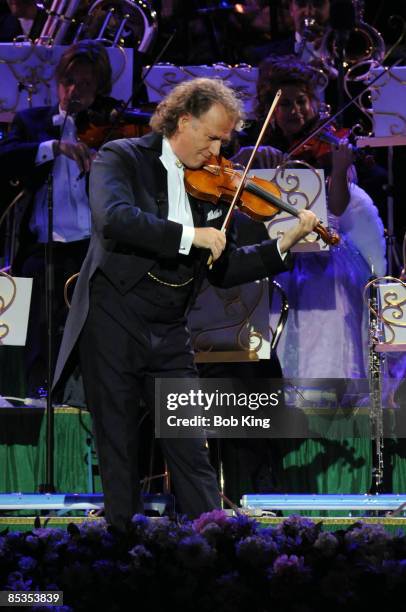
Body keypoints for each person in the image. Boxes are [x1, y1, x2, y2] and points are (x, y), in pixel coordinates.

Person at [53, 77, 319, 532]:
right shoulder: (122, 157)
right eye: (212, 137)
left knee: (192, 449)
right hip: (113, 316)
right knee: (118, 449)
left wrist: (283, 243)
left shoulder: (213, 185)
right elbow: (114, 219)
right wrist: (187, 235)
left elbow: (223, 267)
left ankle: (211, 551)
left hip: (171, 326)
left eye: (224, 141)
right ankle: (119, 555)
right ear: (183, 121)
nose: (218, 152)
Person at [233, 57, 386, 379]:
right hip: (272, 245)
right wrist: (246, 158)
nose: (295, 111)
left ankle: (322, 386)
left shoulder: (327, 146)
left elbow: (339, 208)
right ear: (270, 107)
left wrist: (341, 168)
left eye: (302, 101)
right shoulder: (262, 143)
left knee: (321, 293)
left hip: (321, 249)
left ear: (315, 102)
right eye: (285, 104)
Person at [0, 40, 116, 398]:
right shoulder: (32, 122)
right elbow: (5, 157)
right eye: (69, 81)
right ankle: (38, 400)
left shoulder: (108, 129)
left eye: (85, 84)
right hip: (42, 248)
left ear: (98, 89)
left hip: (90, 251)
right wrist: (53, 148)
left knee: (89, 336)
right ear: (57, 82)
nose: (74, 91)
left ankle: (83, 403)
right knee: (38, 334)